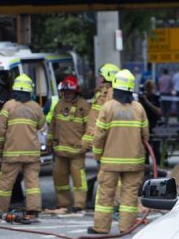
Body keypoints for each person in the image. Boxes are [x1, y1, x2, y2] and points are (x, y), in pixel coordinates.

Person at [89, 69, 148, 235]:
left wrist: (97, 155)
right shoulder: (138, 108)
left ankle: (101, 228)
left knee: (105, 196)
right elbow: (145, 135)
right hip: (134, 163)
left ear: (115, 87)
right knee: (129, 197)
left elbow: (99, 135)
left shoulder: (108, 107)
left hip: (110, 162)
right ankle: (126, 228)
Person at [0, 74, 45, 216]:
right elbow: (42, 126)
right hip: (32, 153)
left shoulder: (8, 106)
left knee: (6, 182)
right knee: (32, 183)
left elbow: (1, 130)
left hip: (12, 152)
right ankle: (33, 209)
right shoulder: (36, 107)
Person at [48, 76, 89, 213]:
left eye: (69, 91)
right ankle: (63, 204)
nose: (66, 94)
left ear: (76, 92)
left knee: (79, 181)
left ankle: (79, 204)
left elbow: (90, 127)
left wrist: (86, 144)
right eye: (64, 91)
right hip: (60, 151)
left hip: (77, 151)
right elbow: (52, 125)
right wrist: (49, 141)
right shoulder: (59, 105)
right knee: (60, 179)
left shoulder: (83, 106)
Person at [82, 63, 119, 150]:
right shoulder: (102, 92)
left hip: (102, 139)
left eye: (101, 76)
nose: (99, 79)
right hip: (96, 137)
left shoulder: (111, 93)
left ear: (108, 77)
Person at [139, 80, 162, 164]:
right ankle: (146, 167)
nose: (149, 90)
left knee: (156, 149)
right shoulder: (142, 98)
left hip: (155, 126)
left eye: (150, 88)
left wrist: (147, 102)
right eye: (147, 88)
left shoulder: (156, 97)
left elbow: (159, 111)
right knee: (145, 149)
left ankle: (158, 166)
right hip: (145, 126)